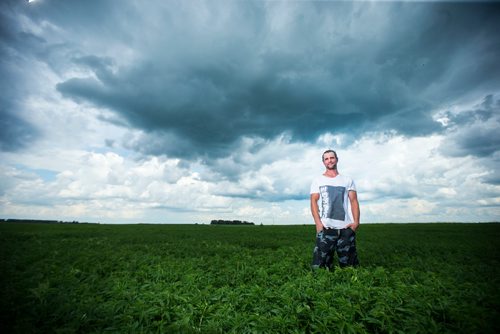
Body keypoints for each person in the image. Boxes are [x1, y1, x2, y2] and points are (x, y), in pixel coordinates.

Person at [310, 149, 360, 270]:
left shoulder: (347, 180)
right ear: (323, 162)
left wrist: (356, 223)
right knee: (319, 268)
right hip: (326, 229)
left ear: (337, 159)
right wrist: (318, 223)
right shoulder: (318, 180)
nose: (329, 161)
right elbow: (313, 201)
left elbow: (354, 201)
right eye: (326, 159)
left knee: (350, 268)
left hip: (345, 229)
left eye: (332, 158)